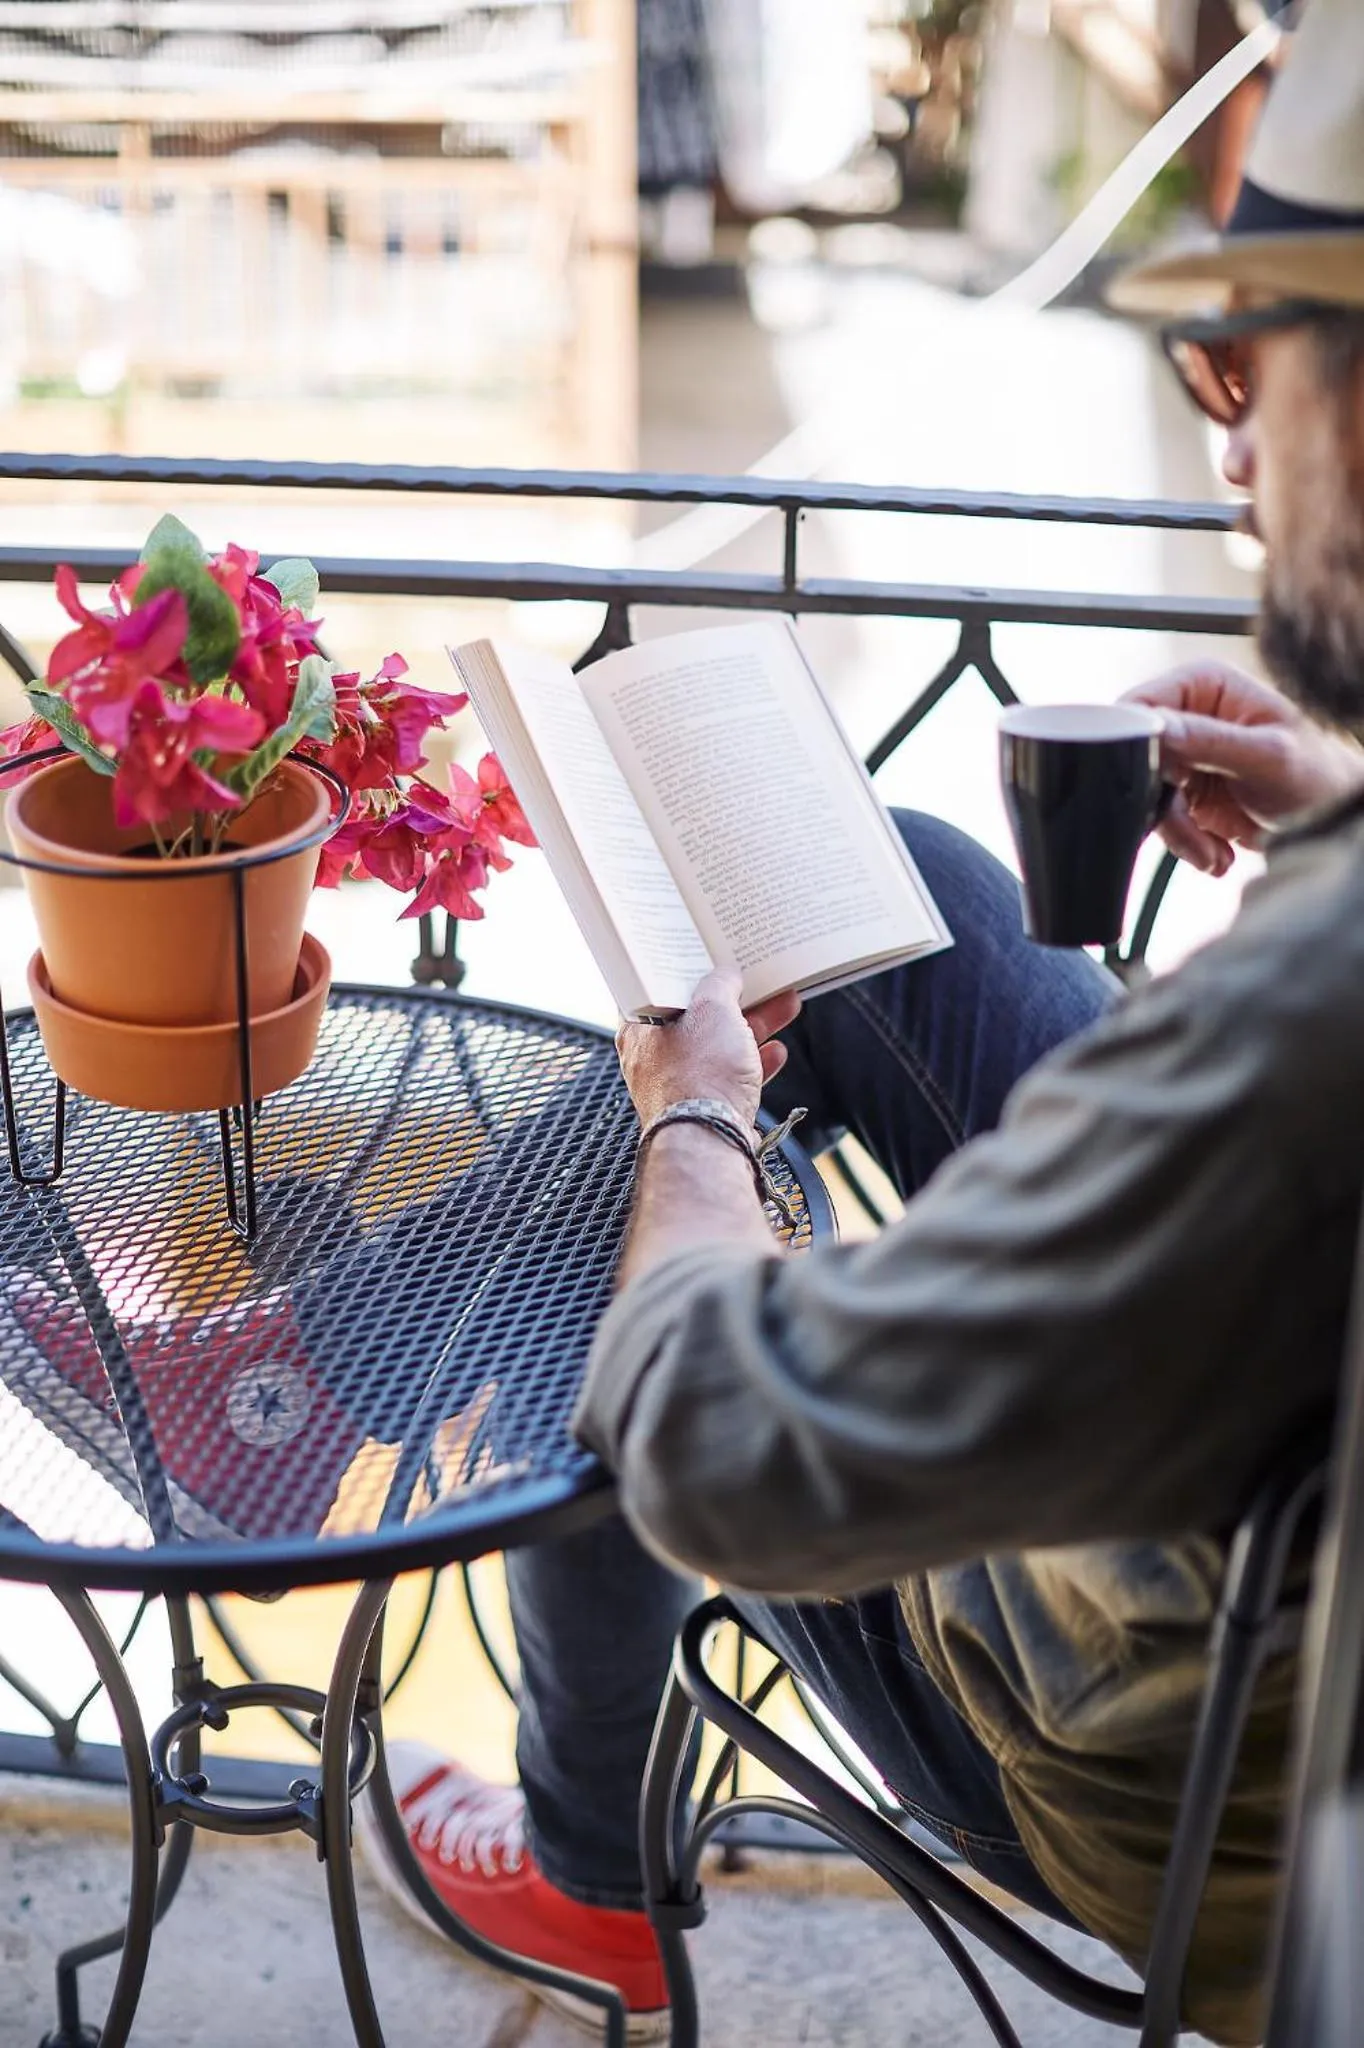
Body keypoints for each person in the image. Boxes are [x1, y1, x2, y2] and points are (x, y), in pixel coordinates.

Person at [356, 4, 1364, 2041]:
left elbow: (713, 1445)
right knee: (905, 895)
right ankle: (326, 1362)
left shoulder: (1299, 1032)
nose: (1233, 444)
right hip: (1252, 1534)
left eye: (1252, 361)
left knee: (653, 1217)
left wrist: (697, 1128)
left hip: (1126, 1749)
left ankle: (583, 1867)